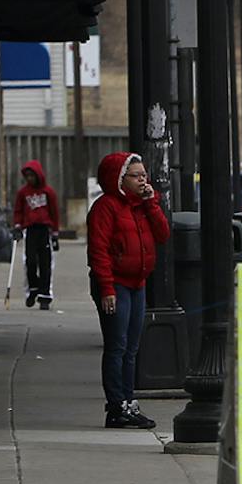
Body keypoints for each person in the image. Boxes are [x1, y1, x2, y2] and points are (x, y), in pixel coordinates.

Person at [86, 151, 169, 429]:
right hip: (115, 285)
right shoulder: (105, 208)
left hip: (138, 284)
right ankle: (116, 405)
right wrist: (107, 288)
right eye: (136, 175)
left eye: (144, 174)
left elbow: (163, 234)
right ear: (120, 179)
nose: (143, 179)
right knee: (117, 345)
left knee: (132, 348)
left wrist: (152, 203)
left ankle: (128, 401)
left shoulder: (141, 206)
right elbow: (98, 250)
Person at [11, 160, 61, 309]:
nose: (30, 179)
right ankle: (33, 289)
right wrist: (18, 226)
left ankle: (44, 295)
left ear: (38, 175)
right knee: (30, 261)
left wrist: (56, 234)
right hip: (30, 230)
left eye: (32, 176)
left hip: (44, 230)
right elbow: (18, 211)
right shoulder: (23, 193)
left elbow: (54, 212)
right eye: (27, 176)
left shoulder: (48, 192)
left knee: (45, 264)